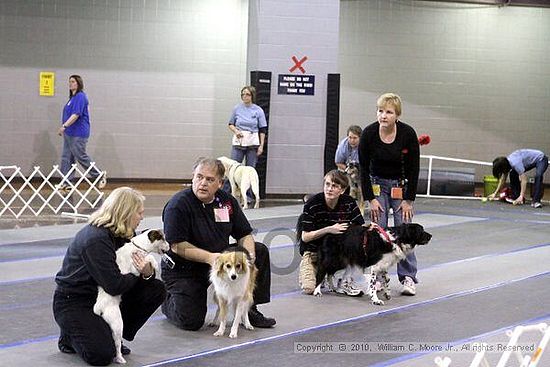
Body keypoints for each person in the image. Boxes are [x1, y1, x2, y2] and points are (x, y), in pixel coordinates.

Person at [52, 187, 166, 366]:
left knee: (155, 288)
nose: (142, 218)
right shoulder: (96, 240)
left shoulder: (124, 235)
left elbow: (132, 277)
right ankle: (69, 337)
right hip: (75, 301)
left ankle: (115, 335)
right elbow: (114, 285)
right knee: (101, 356)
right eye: (139, 213)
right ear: (126, 213)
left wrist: (147, 273)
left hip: (105, 296)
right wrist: (139, 273)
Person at [161, 158, 276, 331]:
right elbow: (177, 245)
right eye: (199, 177)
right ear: (193, 178)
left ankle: (248, 307)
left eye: (209, 179)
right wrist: (210, 258)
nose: (203, 183)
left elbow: (244, 234)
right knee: (191, 321)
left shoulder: (227, 202)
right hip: (185, 268)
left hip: (220, 261)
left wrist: (249, 258)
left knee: (259, 250)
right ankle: (167, 300)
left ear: (220, 183)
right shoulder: (178, 205)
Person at [359, 92, 420, 296]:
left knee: (406, 232)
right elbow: (363, 169)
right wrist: (371, 199)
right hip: (377, 186)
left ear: (397, 115)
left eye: (388, 112)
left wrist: (408, 200)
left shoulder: (407, 134)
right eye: (380, 111)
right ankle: (379, 277)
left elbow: (414, 168)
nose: (383, 115)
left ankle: (408, 277)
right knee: (380, 231)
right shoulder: (368, 134)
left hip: (400, 187)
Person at [297, 169, 365, 296]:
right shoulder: (312, 204)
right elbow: (305, 237)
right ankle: (316, 271)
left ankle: (341, 279)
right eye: (327, 184)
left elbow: (359, 228)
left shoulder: (349, 202)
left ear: (342, 190)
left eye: (334, 186)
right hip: (313, 251)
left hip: (337, 251)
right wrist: (329, 229)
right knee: (309, 289)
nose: (329, 189)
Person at [57, 75, 106, 191]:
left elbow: (76, 114)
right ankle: (67, 182)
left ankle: (99, 175)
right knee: (66, 157)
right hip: (70, 133)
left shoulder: (80, 97)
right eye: (69, 82)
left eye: (73, 81)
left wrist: (64, 126)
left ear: (78, 83)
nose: (70, 84)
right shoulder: (72, 98)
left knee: (80, 155)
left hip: (78, 132)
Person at [225, 86, 268, 202]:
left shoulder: (258, 110)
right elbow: (230, 123)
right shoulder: (237, 108)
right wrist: (236, 131)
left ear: (252, 96)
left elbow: (263, 129)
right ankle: (226, 194)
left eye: (247, 94)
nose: (245, 96)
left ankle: (248, 196)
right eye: (243, 94)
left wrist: (261, 145)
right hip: (239, 142)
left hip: (252, 143)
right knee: (233, 168)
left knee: (250, 169)